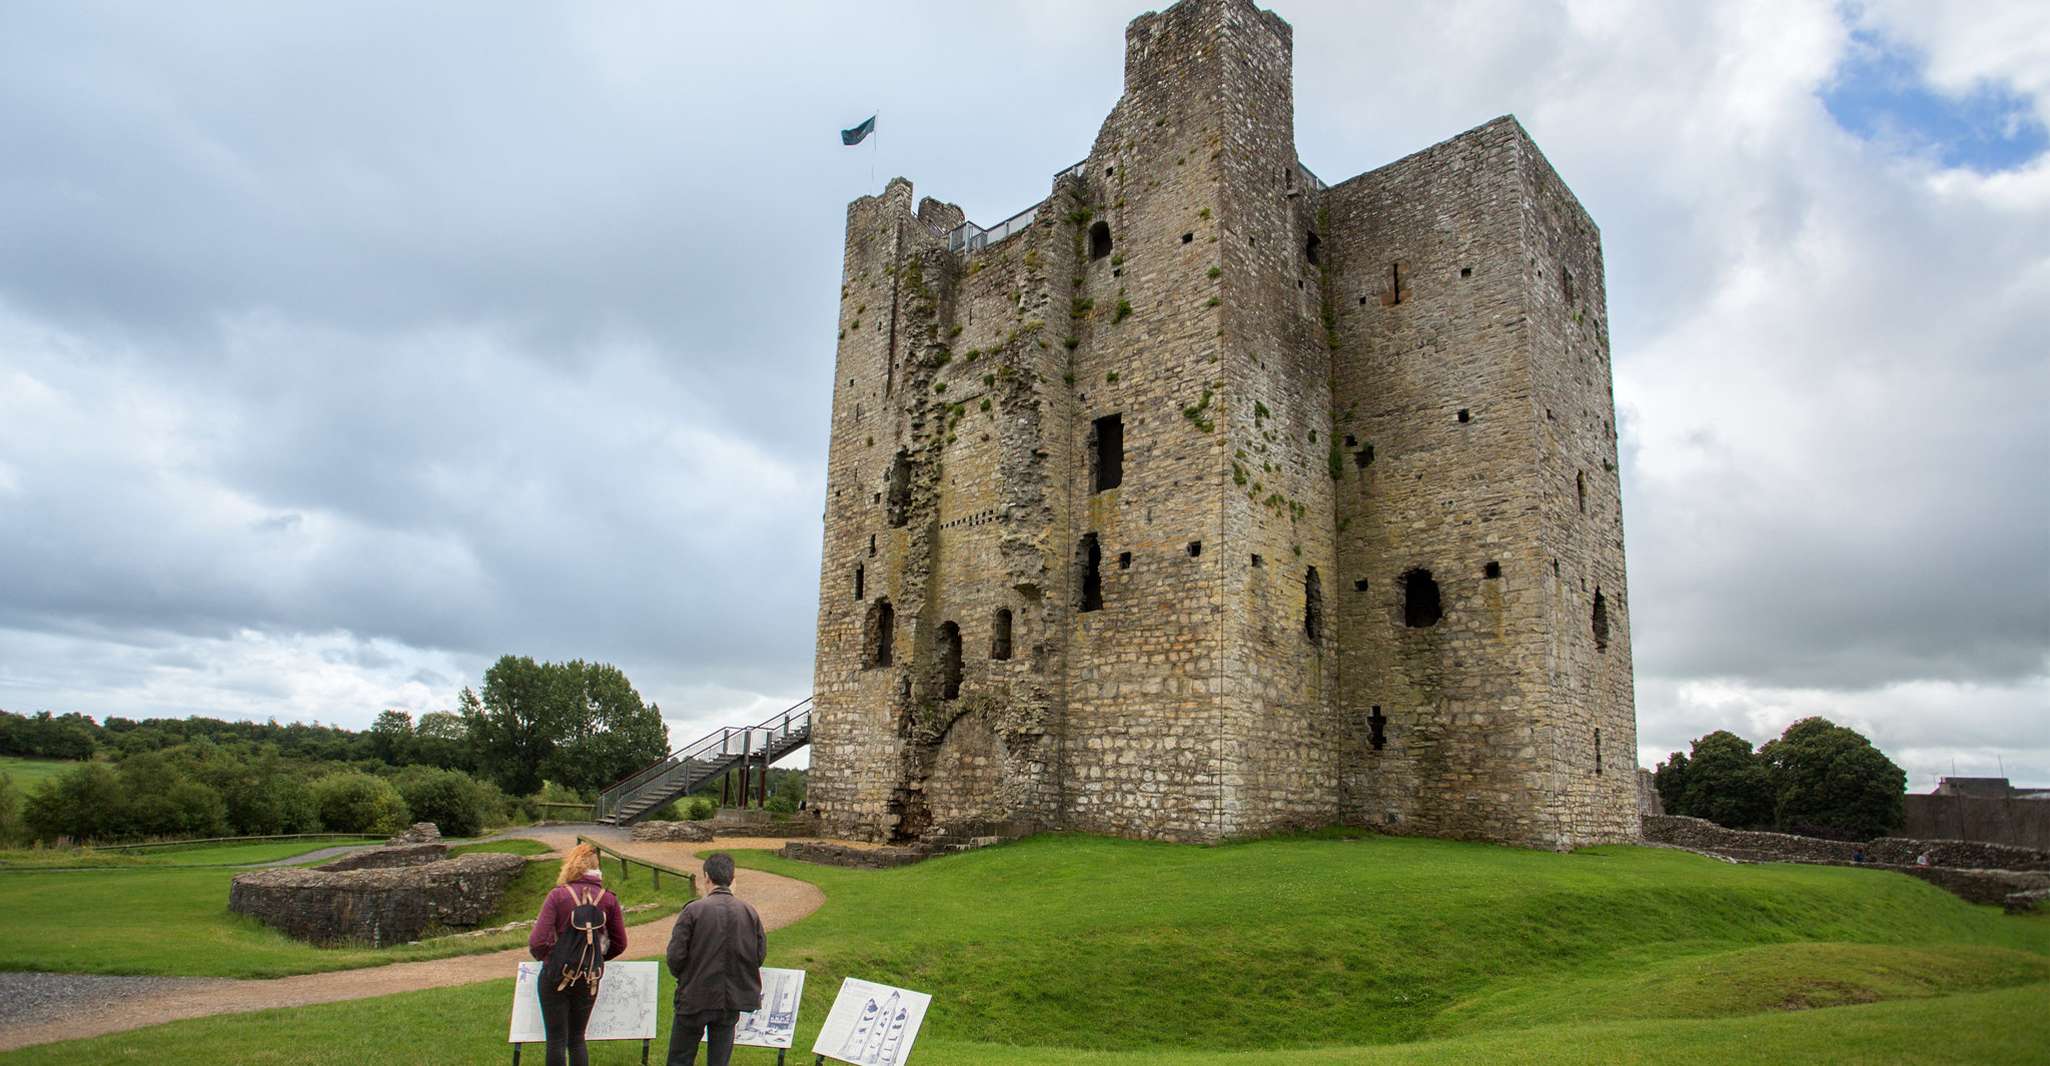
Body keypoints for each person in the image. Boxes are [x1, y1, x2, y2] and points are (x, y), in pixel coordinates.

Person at [529, 843, 628, 1066]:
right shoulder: (608, 899)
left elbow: (537, 941)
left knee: (556, 1041)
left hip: (556, 976)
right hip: (589, 978)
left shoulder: (558, 896)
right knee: (577, 1039)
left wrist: (550, 958)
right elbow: (620, 943)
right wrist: (596, 959)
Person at [665, 852, 767, 1066]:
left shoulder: (693, 910)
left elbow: (675, 956)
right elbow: (758, 955)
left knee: (680, 1059)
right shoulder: (749, 913)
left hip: (695, 995)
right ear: (732, 879)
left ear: (707, 877)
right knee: (719, 1061)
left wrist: (687, 976)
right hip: (730, 998)